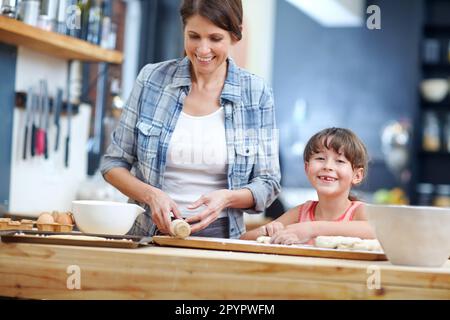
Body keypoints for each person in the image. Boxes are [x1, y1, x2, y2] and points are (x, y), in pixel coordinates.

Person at [100, 0, 280, 239]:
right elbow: (113, 164)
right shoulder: (152, 79)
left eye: (215, 39)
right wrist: (152, 195)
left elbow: (268, 183)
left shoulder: (256, 93)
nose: (203, 50)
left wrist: (227, 198)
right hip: (148, 233)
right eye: (194, 36)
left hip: (221, 238)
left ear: (236, 35)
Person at [240, 127, 375, 244]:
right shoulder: (300, 213)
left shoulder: (359, 212)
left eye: (339, 161)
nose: (328, 166)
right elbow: (244, 239)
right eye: (320, 158)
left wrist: (311, 229)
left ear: (357, 175)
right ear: (307, 167)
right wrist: (266, 231)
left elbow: (381, 232)